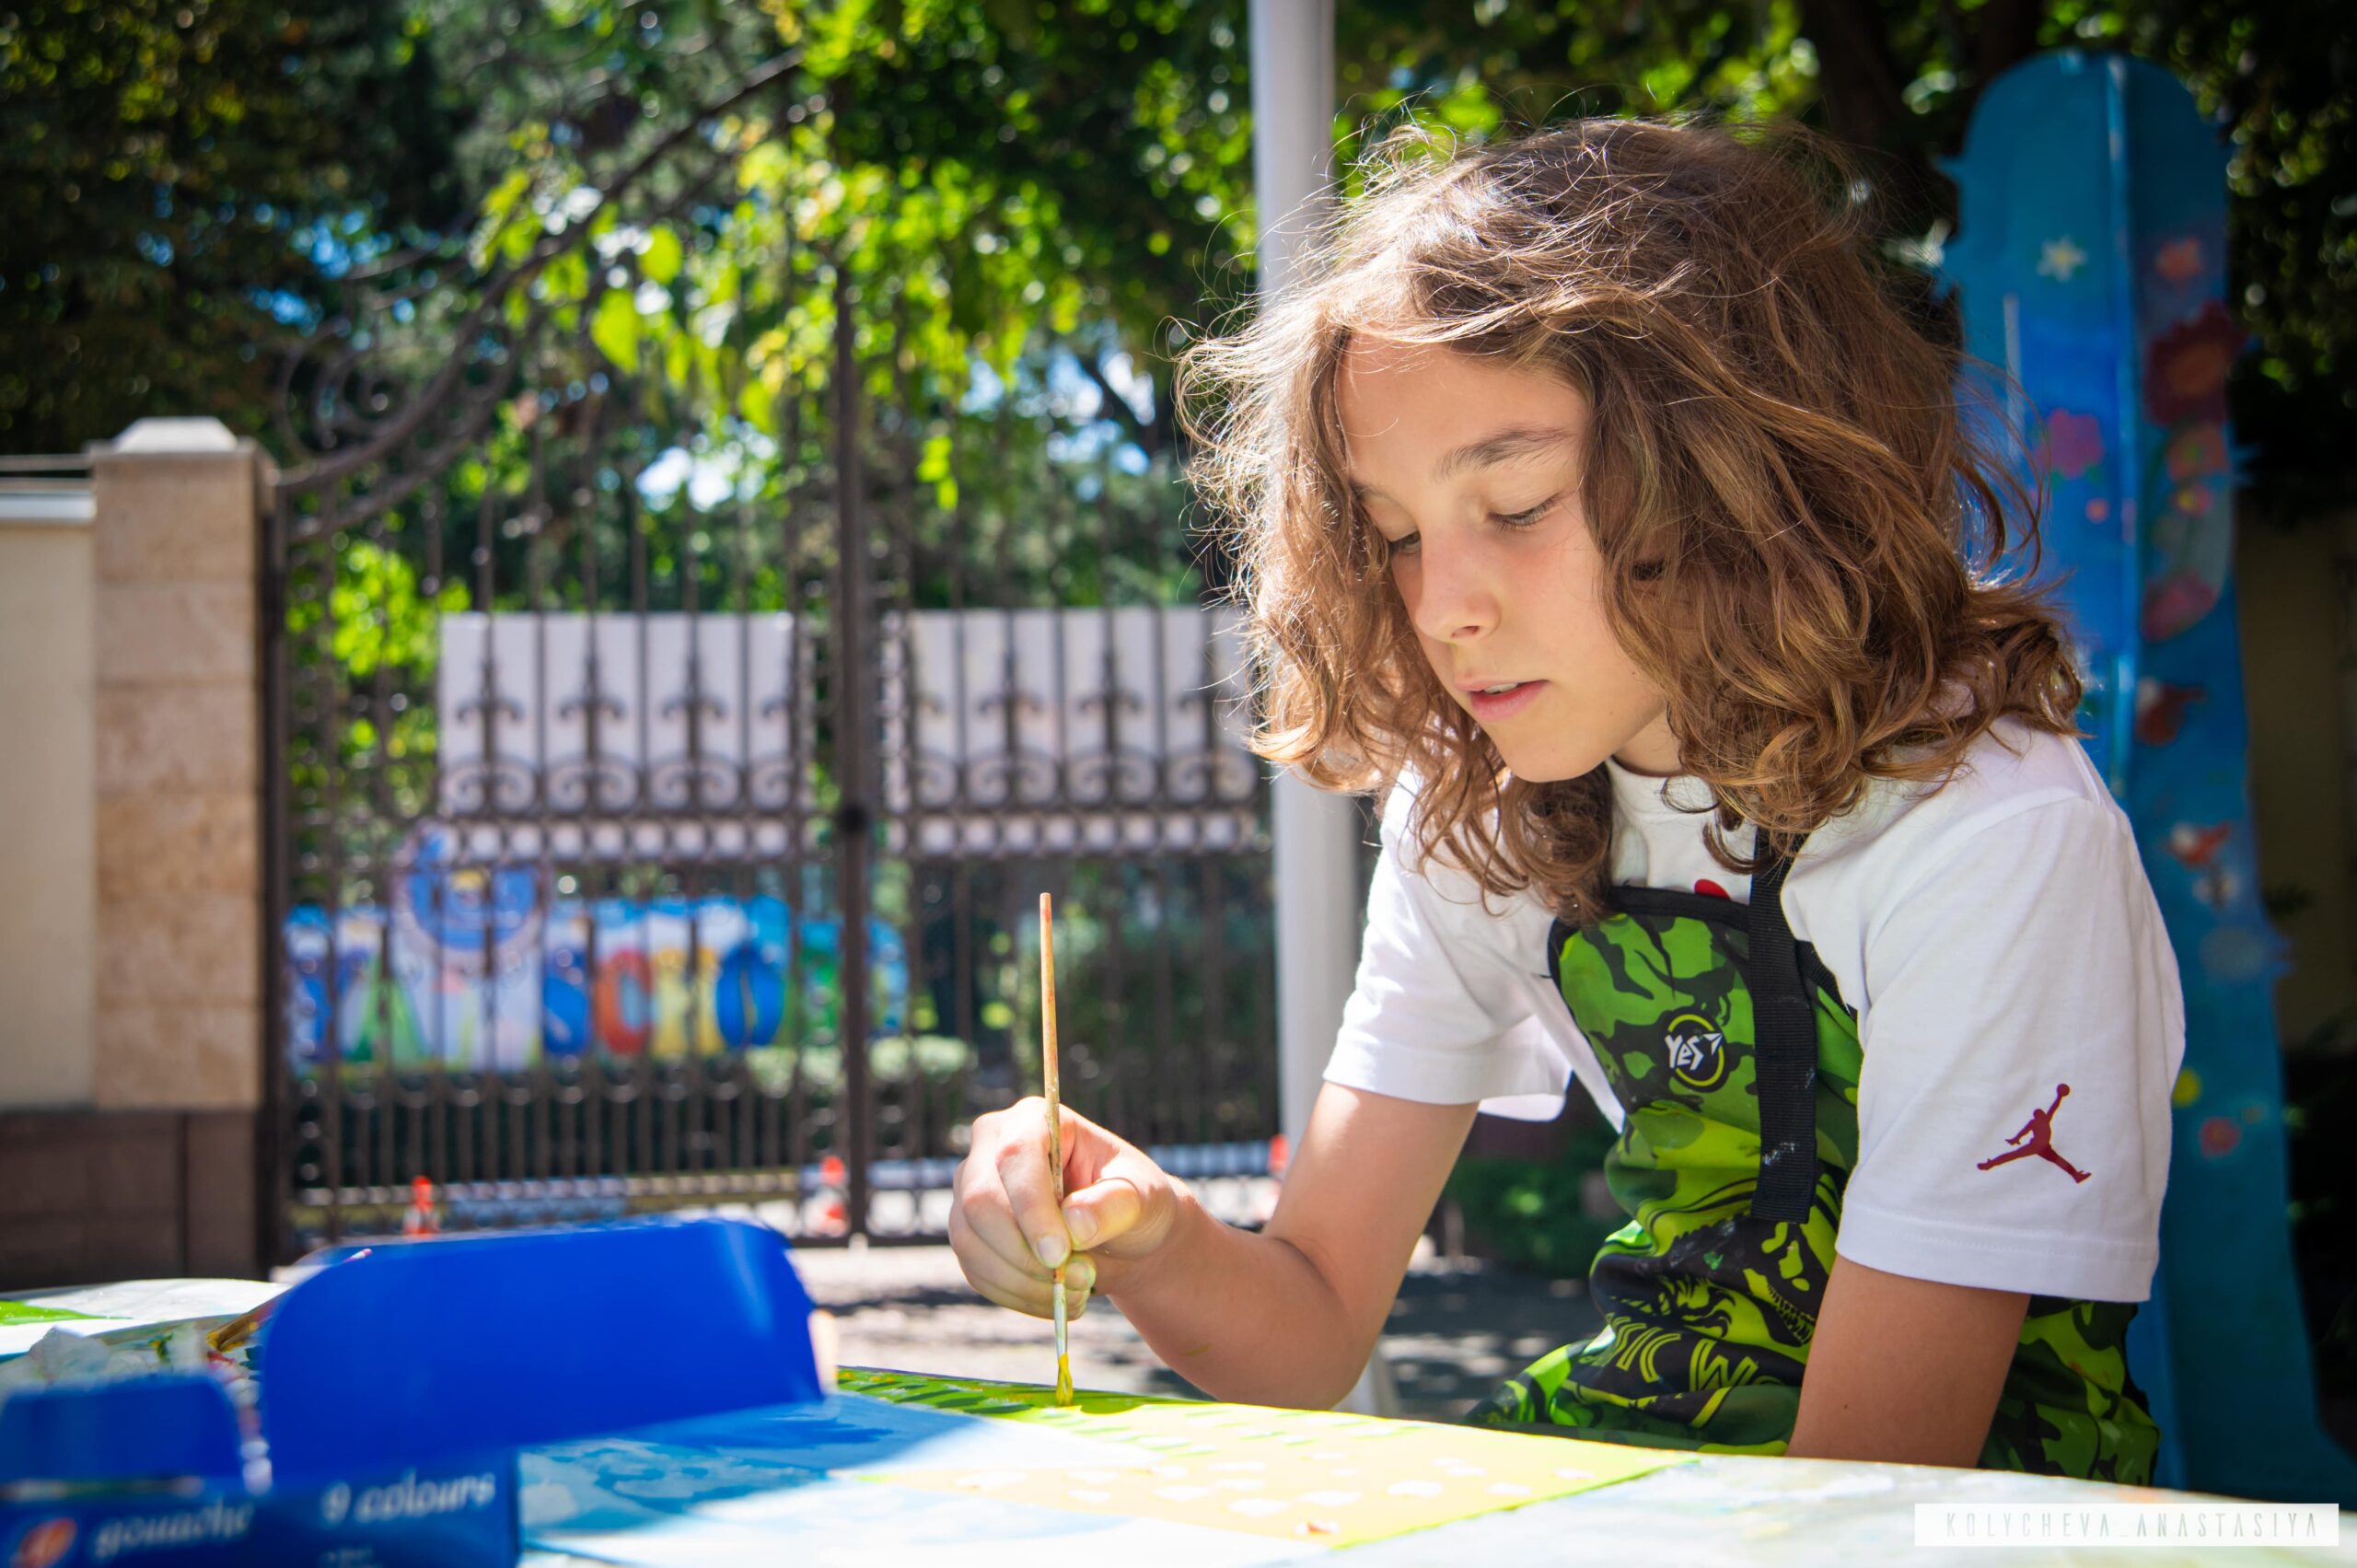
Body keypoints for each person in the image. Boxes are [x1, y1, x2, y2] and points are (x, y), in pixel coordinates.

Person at [946, 117, 2182, 1481]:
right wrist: (1147, 1232)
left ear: (1739, 467)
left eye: (1519, 503)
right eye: (1395, 533)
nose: (1440, 607)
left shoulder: (1991, 829)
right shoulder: (1474, 813)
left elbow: (1868, 1490)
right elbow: (1307, 1329)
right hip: (1651, 1461)